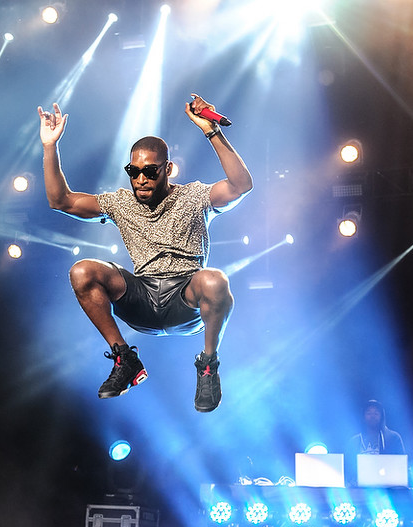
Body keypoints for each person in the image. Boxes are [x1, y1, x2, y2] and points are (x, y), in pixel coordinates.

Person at [37, 93, 253, 412]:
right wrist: (50, 147)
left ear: (167, 169)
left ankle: (208, 366)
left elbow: (240, 186)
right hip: (142, 299)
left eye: (150, 171)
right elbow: (61, 201)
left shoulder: (193, 196)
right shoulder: (121, 202)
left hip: (186, 300)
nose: (140, 179)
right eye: (134, 171)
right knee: (82, 271)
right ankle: (125, 360)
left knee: (215, 280)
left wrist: (212, 130)